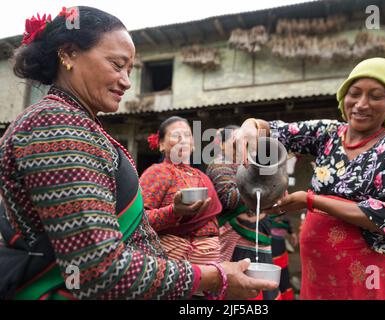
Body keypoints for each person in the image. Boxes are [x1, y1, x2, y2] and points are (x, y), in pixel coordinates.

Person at [0, 6, 277, 300]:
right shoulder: (54, 125)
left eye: (130, 70)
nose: (127, 81)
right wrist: (212, 277)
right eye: (117, 65)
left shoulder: (77, 122)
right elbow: (98, 270)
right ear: (68, 54)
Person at [237, 57, 385, 299]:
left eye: (375, 96)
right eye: (355, 93)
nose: (361, 104)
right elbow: (273, 131)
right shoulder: (328, 133)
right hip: (320, 267)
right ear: (343, 97)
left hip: (370, 269)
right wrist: (250, 125)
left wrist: (312, 201)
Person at [206, 125, 280, 300]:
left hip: (259, 234)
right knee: (239, 289)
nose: (241, 148)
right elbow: (230, 198)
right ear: (222, 145)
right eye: (235, 144)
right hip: (234, 239)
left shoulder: (248, 165)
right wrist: (262, 184)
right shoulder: (219, 164)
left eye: (245, 144)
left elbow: (271, 195)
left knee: (264, 286)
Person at [139, 116, 222, 266]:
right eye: (176, 135)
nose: (183, 140)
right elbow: (139, 219)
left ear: (193, 144)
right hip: (174, 269)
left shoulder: (203, 177)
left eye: (188, 135)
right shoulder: (156, 173)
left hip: (211, 264)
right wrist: (174, 211)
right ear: (161, 145)